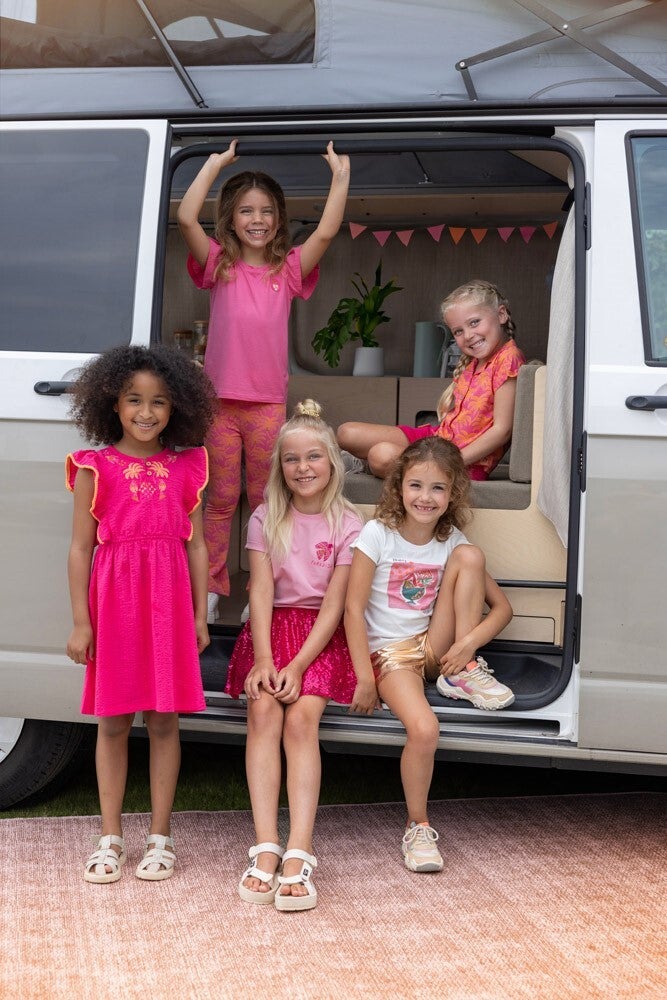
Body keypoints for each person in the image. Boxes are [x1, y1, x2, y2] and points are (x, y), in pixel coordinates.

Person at [177, 139, 351, 624]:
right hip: (219, 406)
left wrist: (340, 178)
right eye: (246, 211)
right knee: (219, 500)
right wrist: (213, 164)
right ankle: (210, 590)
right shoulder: (219, 264)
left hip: (267, 406)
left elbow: (327, 231)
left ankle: (263, 591)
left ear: (279, 219)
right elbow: (187, 219)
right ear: (231, 219)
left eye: (267, 211)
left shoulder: (288, 269)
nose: (258, 219)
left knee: (266, 500)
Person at [65, 344, 216, 883]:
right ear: (113, 403)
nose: (146, 412)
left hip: (168, 604)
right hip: (114, 605)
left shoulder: (187, 466)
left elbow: (196, 546)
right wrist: (81, 621)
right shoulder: (95, 468)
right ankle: (110, 836)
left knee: (164, 721)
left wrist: (199, 616)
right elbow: (80, 549)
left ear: (177, 407)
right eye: (134, 400)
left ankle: (160, 836)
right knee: (112, 722)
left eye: (159, 401)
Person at [225, 400, 377, 911]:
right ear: (280, 467)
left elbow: (335, 604)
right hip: (269, 633)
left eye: (313, 457)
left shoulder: (349, 523)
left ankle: (299, 847)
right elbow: (262, 592)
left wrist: (296, 665)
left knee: (301, 720)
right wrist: (265, 660)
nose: (303, 467)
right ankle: (266, 843)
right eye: (291, 459)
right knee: (263, 711)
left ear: (332, 462)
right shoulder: (266, 517)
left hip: (321, 638)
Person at [344, 436, 514, 873]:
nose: (426, 497)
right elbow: (352, 610)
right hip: (392, 656)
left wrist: (466, 646)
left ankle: (462, 673)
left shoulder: (451, 540)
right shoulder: (378, 534)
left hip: (439, 649)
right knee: (424, 728)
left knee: (470, 556)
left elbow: (502, 610)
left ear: (453, 493)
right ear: (399, 486)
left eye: (438, 488)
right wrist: (364, 676)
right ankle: (418, 827)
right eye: (416, 485)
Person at [337, 279, 526, 481]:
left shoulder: (509, 358)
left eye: (474, 322)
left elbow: (502, 431)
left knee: (381, 455)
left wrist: (451, 461)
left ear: (501, 315)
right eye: (458, 331)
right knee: (346, 432)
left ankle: (369, 465)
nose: (468, 335)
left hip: (464, 462)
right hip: (437, 441)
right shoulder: (475, 362)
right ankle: (365, 465)